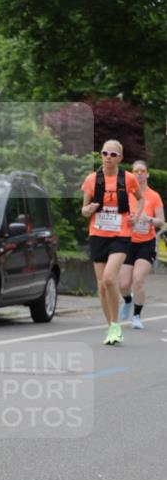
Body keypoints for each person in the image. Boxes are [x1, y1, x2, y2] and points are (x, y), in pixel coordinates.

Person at [81, 140, 144, 345]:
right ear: (101, 155)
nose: (108, 157)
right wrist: (88, 210)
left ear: (120, 158)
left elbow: (140, 199)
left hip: (121, 233)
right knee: (101, 286)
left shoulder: (128, 179)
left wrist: (136, 215)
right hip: (98, 234)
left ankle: (116, 325)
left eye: (113, 154)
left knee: (109, 278)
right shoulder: (92, 179)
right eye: (104, 153)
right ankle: (111, 328)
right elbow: (84, 210)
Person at [118, 160, 164, 329]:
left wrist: (149, 219)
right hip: (128, 241)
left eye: (142, 171)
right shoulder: (127, 194)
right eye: (135, 171)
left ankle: (137, 316)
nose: (139, 174)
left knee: (138, 280)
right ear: (132, 174)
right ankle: (128, 300)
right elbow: (118, 214)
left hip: (146, 243)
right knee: (123, 284)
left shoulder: (154, 196)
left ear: (147, 174)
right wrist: (128, 219)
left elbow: (161, 221)